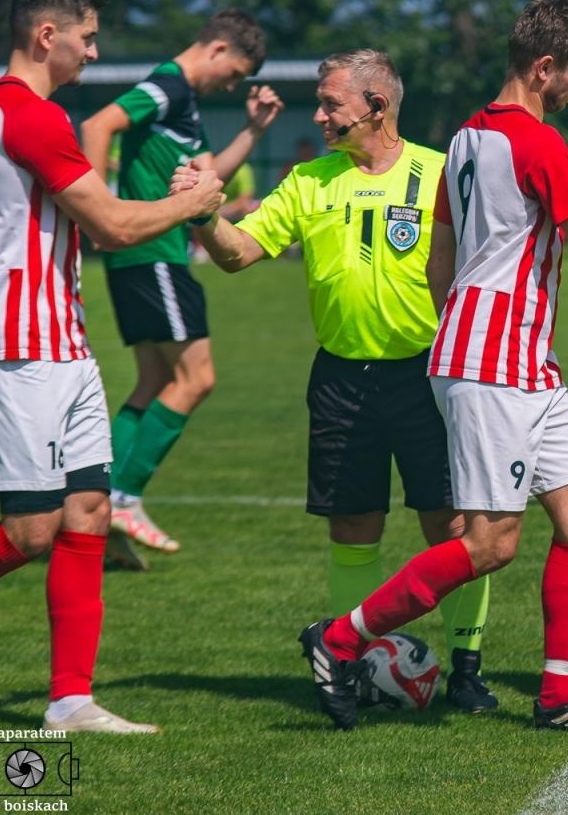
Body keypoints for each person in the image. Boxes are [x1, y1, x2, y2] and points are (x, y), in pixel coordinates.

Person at [291, 0, 568, 732]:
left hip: (509, 354)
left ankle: (558, 699)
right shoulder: (540, 144)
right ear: (545, 68)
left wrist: (477, 319)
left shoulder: (464, 137)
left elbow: (438, 262)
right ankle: (339, 639)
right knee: (489, 544)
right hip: (496, 362)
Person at [186, 49, 496, 714]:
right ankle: (343, 660)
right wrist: (203, 216)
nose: (320, 115)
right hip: (340, 380)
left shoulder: (441, 175)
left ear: (376, 106)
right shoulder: (307, 182)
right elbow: (239, 254)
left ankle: (468, 670)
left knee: (454, 527)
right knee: (352, 526)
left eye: (331, 104)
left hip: (428, 377)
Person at [0, 0, 224, 732]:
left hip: (64, 344)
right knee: (32, 530)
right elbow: (111, 227)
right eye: (86, 35)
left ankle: (71, 701)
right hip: (23, 348)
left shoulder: (18, 113)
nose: (94, 49)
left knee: (87, 512)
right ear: (47, 36)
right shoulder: (28, 118)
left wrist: (182, 200)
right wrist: (196, 200)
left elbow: (103, 216)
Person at [79, 10, 284, 564]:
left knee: (154, 380)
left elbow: (205, 174)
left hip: (142, 258)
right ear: (217, 49)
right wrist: (99, 209)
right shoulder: (168, 84)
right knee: (197, 377)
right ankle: (118, 500)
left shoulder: (183, 100)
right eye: (235, 73)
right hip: (155, 254)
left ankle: (93, 514)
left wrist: (253, 130)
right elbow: (98, 126)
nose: (233, 85)